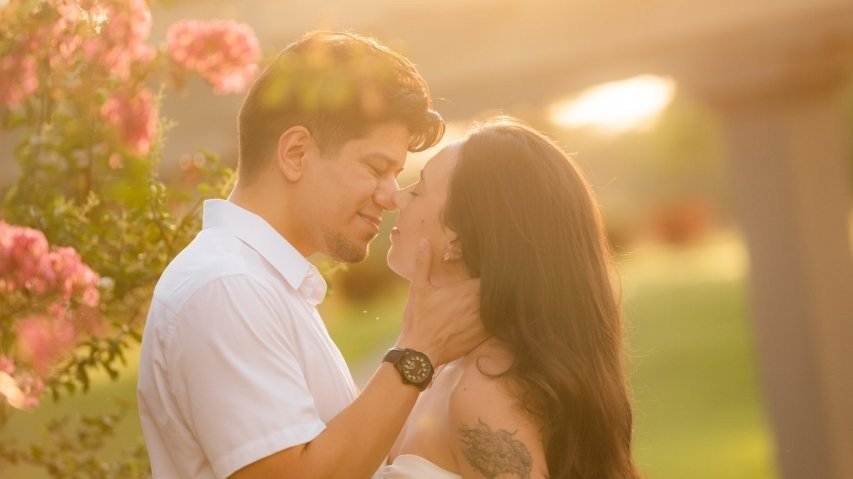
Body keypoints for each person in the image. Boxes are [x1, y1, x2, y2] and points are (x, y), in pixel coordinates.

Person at [137, 31, 484, 479]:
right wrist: (419, 351)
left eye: (397, 174)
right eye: (376, 168)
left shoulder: (264, 285)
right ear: (296, 153)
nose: (390, 196)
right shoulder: (228, 288)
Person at [382, 118, 643, 479]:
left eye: (418, 190)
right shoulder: (447, 367)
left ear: (458, 235)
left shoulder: (485, 387)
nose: (396, 197)